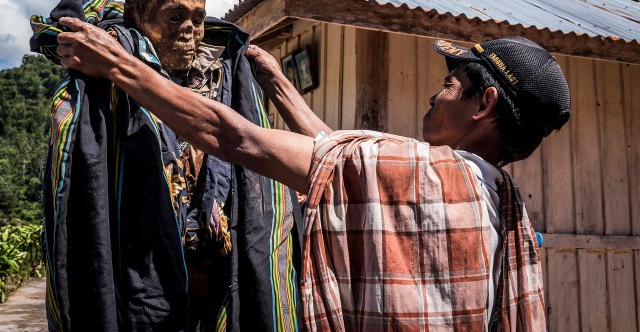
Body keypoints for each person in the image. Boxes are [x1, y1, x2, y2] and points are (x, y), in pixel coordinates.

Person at [55, 17, 569, 330]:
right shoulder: (497, 198)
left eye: (451, 83)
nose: (436, 94)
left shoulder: (415, 171)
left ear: (485, 103)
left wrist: (120, 67)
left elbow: (237, 138)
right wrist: (278, 86)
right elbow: (338, 157)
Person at [31, 0, 301, 331]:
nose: (190, 29)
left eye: (198, 17)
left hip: (218, 284)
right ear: (137, 15)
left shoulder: (225, 79)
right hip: (144, 282)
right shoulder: (107, 80)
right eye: (175, 16)